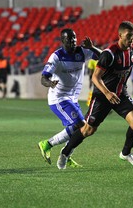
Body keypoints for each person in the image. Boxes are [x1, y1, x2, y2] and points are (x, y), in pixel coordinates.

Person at [56, 21, 133, 169]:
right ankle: (65, 152)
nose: (132, 39)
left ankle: (126, 153)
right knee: (88, 130)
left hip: (120, 94)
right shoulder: (109, 54)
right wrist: (107, 93)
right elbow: (95, 78)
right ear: (120, 35)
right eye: (129, 36)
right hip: (102, 95)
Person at [37, 28, 101, 167]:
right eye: (69, 39)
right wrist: (50, 83)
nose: (73, 42)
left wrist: (92, 48)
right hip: (59, 98)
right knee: (82, 126)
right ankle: (48, 145)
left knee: (80, 130)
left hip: (72, 98)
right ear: (62, 41)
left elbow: (104, 57)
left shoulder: (82, 52)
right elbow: (43, 78)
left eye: (74, 39)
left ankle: (66, 153)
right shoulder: (57, 57)